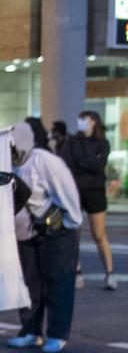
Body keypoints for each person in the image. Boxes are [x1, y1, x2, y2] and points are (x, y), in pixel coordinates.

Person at [9, 120, 84, 353]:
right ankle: (31, 331)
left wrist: (67, 224)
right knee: (29, 284)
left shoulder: (46, 162)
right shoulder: (10, 164)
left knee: (58, 283)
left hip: (57, 233)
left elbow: (69, 197)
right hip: (27, 235)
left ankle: (57, 333)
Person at [61, 111, 115, 291]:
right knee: (73, 234)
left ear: (94, 122)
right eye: (80, 119)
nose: (81, 122)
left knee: (99, 234)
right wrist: (89, 163)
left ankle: (109, 273)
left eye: (85, 119)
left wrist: (81, 162)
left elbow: (99, 165)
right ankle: (77, 273)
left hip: (96, 192)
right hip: (74, 191)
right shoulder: (72, 141)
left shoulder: (103, 143)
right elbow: (66, 161)